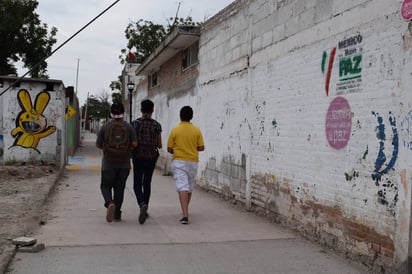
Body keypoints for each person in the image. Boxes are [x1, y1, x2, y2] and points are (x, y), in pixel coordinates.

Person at [96, 103, 137, 223]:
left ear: (111, 113)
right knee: (119, 188)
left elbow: (98, 145)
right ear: (123, 113)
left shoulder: (105, 127)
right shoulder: (129, 127)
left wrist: (109, 148)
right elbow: (135, 144)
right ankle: (117, 214)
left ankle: (109, 203)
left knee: (105, 185)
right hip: (124, 163)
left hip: (109, 162)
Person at [167, 106, 204, 224]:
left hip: (179, 161)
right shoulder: (197, 130)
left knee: (182, 186)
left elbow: (169, 148)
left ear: (180, 116)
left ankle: (185, 215)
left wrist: (178, 150)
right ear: (191, 117)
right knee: (189, 185)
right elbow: (201, 147)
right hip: (193, 161)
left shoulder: (175, 130)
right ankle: (185, 209)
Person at [132, 99, 162, 224]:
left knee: (137, 183)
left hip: (138, 156)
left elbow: (132, 143)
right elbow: (159, 145)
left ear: (141, 110)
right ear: (152, 110)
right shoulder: (156, 125)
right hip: (151, 157)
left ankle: (141, 204)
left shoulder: (135, 124)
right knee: (147, 183)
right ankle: (146, 207)